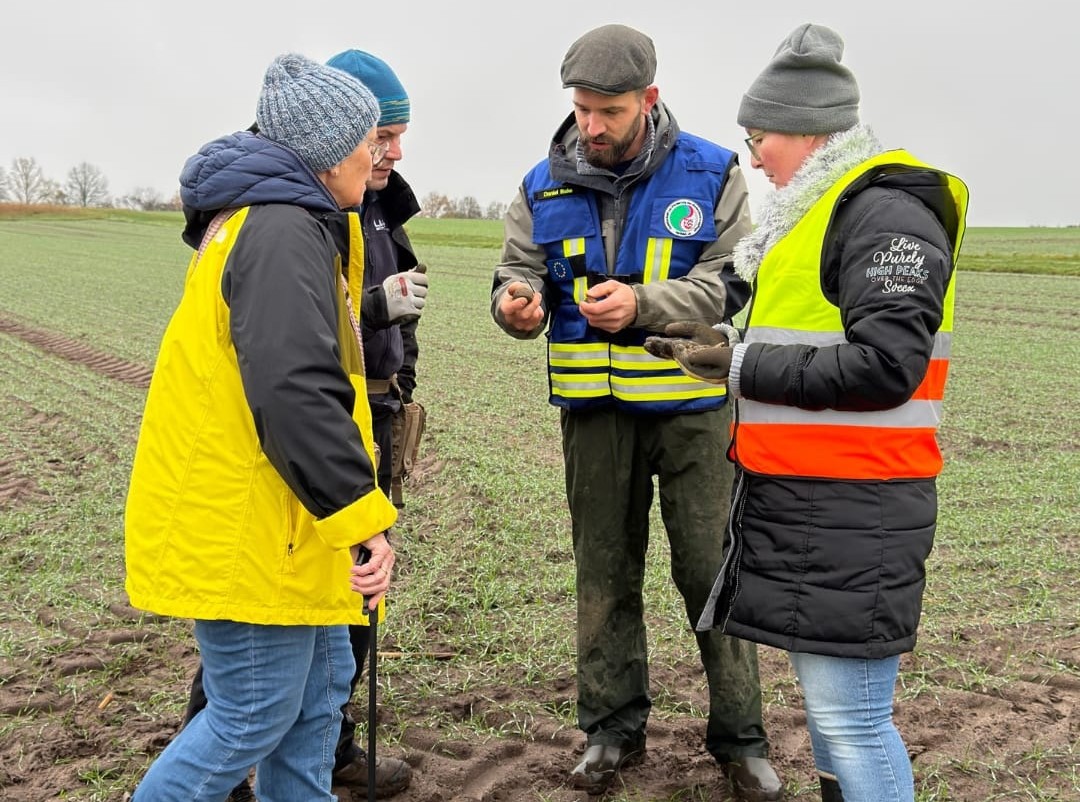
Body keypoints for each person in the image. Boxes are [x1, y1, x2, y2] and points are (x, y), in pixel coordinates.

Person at [644, 23, 969, 802]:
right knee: (833, 722)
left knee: (854, 723)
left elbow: (888, 364)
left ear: (805, 130)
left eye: (759, 139)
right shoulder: (823, 210)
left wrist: (744, 363)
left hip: (859, 506)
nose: (753, 158)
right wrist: (719, 339)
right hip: (814, 505)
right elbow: (815, 333)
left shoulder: (886, 213)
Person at [490, 23, 781, 801]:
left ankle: (742, 738)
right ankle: (610, 729)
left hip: (692, 412)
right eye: (581, 108)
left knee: (710, 572)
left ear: (648, 101)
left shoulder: (713, 171)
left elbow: (732, 283)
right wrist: (514, 307)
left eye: (609, 110)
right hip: (594, 416)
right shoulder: (538, 184)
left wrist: (646, 304)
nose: (591, 125)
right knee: (604, 575)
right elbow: (516, 275)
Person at [124, 52, 400, 802]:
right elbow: (295, 392)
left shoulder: (292, 221)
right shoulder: (281, 230)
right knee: (251, 713)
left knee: (318, 699)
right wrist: (360, 518)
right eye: (370, 139)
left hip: (279, 523)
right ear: (330, 150)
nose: (377, 155)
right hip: (248, 526)